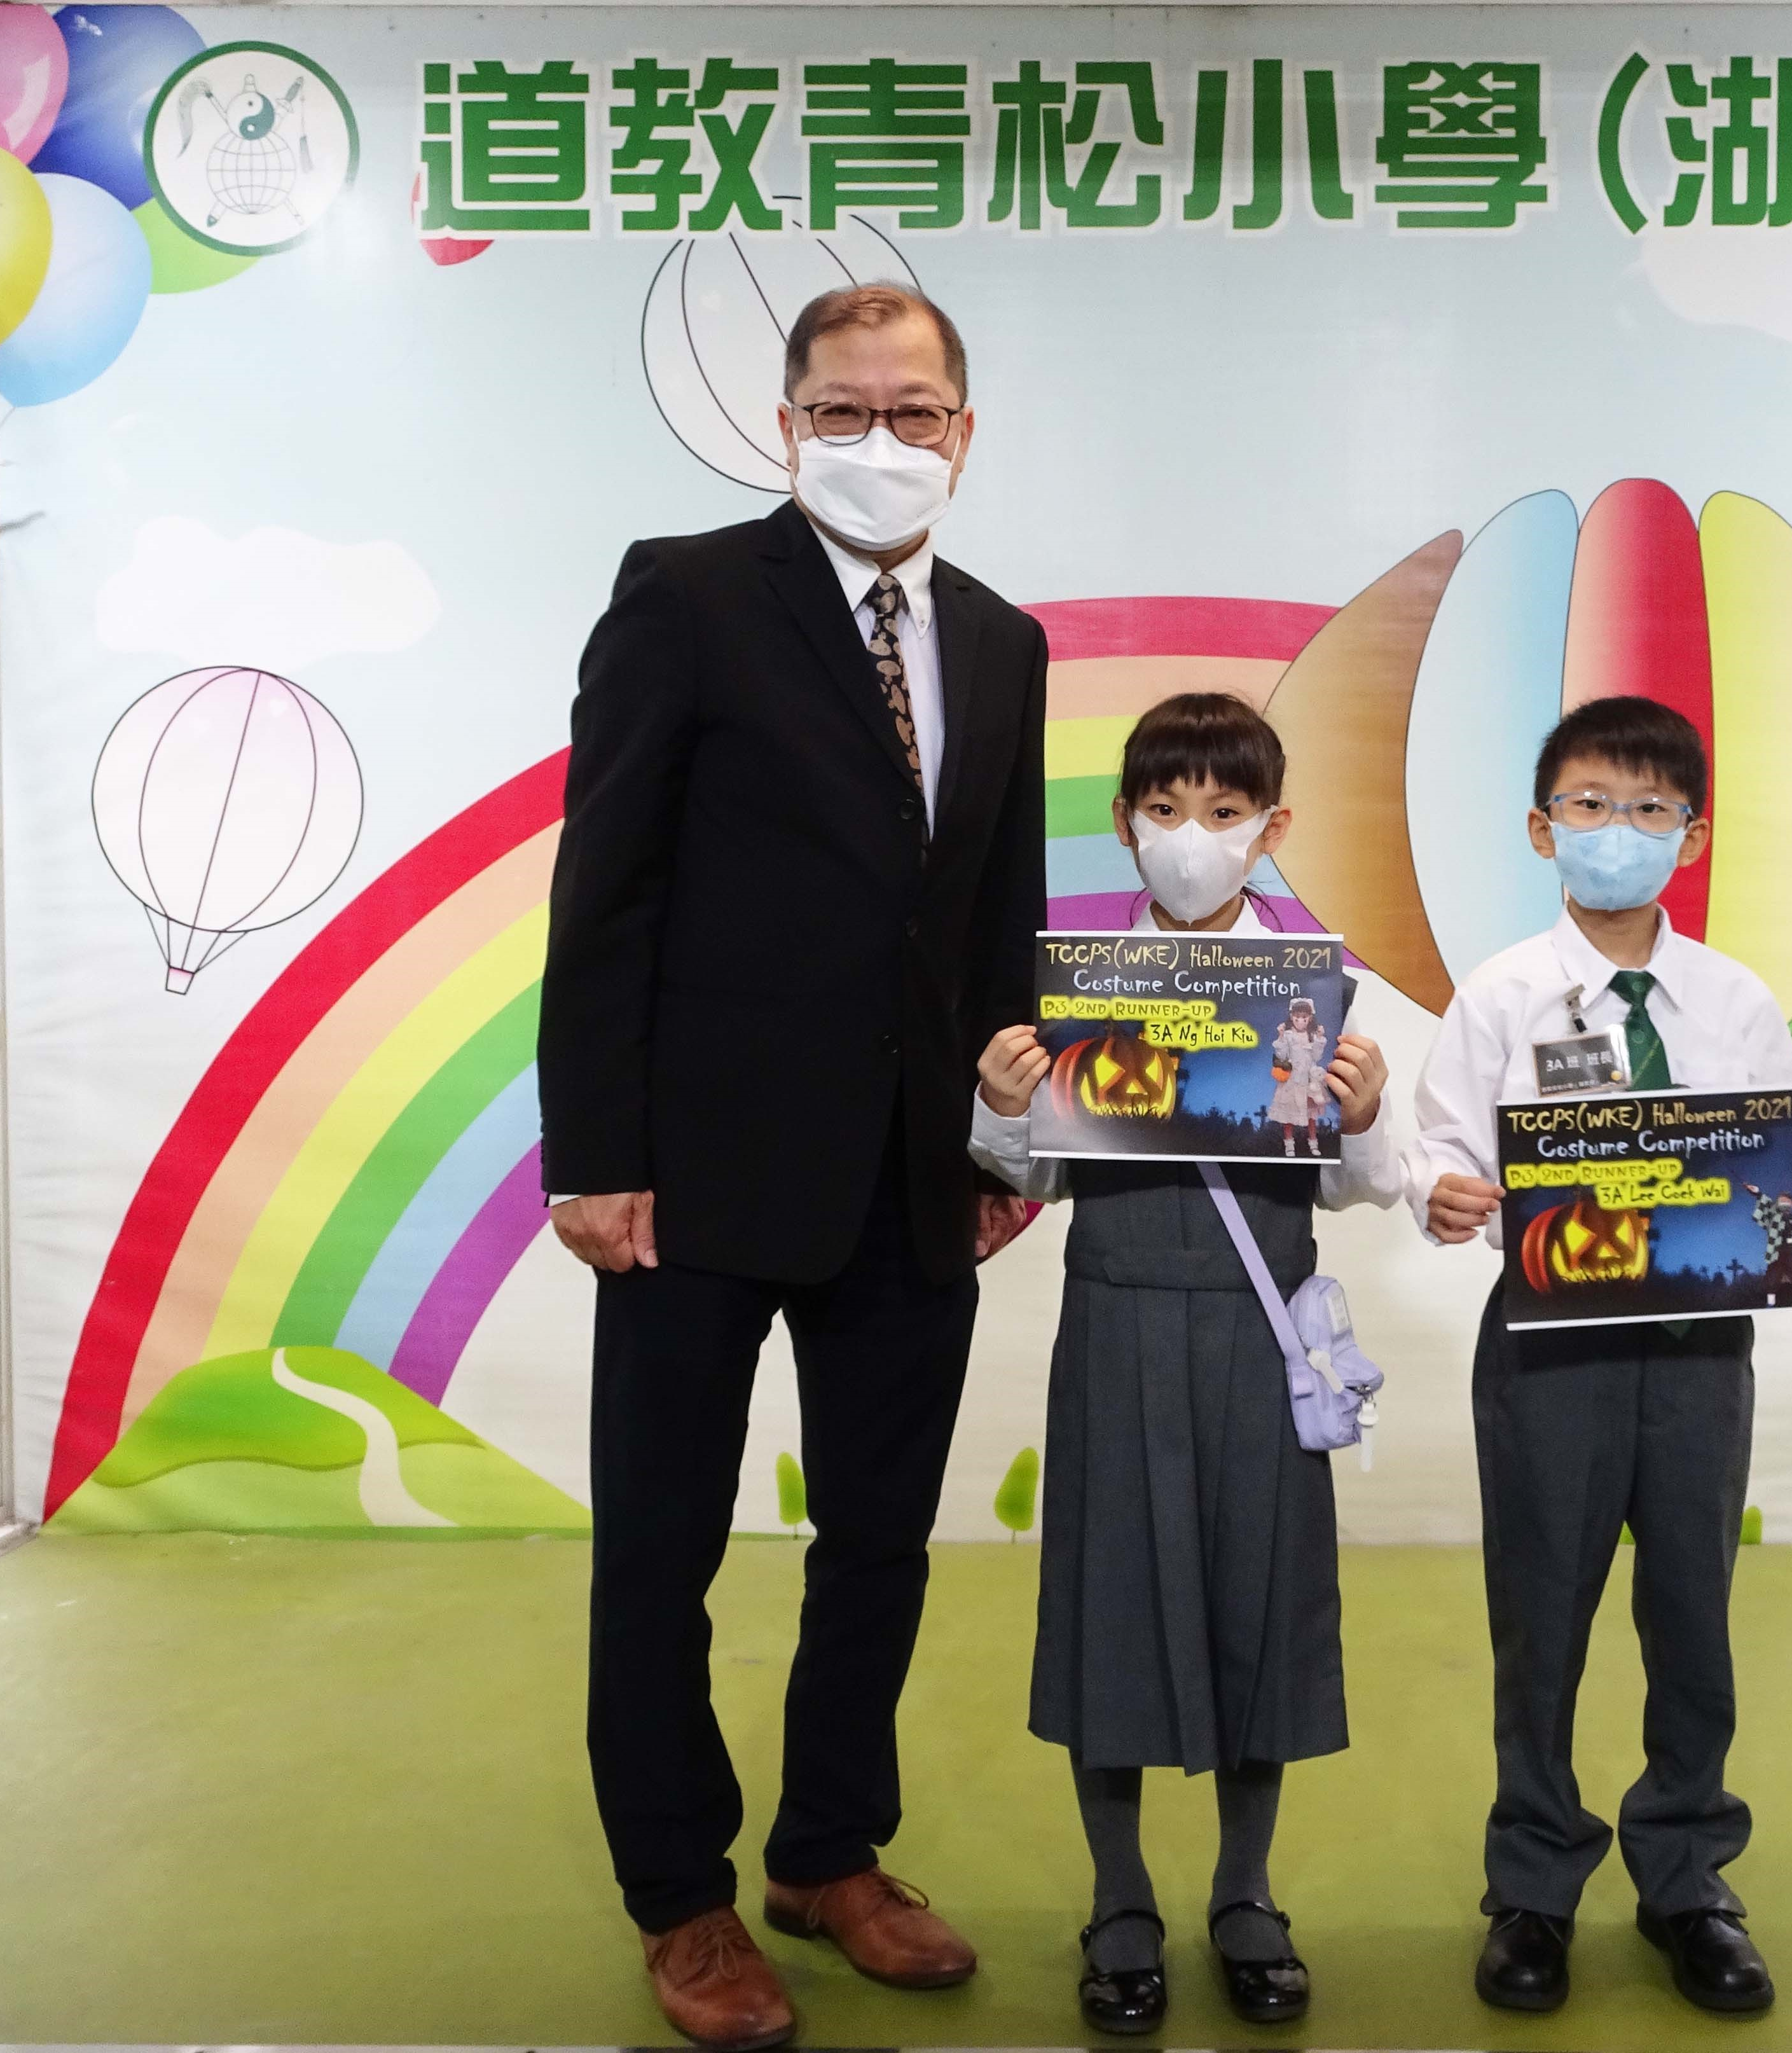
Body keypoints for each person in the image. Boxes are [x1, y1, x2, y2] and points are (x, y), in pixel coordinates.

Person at [537, 282, 1047, 2052]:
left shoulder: (1000, 640)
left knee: (879, 1542)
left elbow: (996, 913)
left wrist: (1005, 1141)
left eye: (913, 411)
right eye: (842, 410)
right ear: (785, 425)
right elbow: (605, 886)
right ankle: (678, 1893)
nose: (877, 440)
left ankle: (830, 1854)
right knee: (659, 1551)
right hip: (690, 1177)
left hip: (915, 1178)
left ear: (963, 433)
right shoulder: (684, 598)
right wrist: (595, 1155)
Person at [1408, 696, 1792, 2021]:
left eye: (1648, 809)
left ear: (1692, 834)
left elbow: (1772, 1161)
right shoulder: (1502, 993)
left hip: (1698, 1347)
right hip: (1548, 1342)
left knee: (1691, 1614)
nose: (1617, 829)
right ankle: (1532, 1888)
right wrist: (1440, 1191)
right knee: (1540, 1614)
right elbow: (1444, 1147)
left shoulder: (1734, 1000)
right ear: (1542, 827)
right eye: (1590, 805)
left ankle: (1687, 1879)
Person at [967, 693, 1401, 2037]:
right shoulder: (1078, 983)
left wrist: (1367, 1112)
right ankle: (1120, 1903)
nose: (1192, 835)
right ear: (1124, 822)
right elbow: (1035, 1174)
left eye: (1223, 811)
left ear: (1273, 826)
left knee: (1260, 1607)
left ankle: (1247, 1895)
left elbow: (1363, 1186)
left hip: (1260, 1333)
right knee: (1111, 1607)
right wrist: (997, 1102)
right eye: (1165, 809)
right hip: (1116, 1325)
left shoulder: (1316, 986)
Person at [1267, 995, 1330, 1156]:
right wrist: (1281, 1036)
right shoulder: (1288, 1035)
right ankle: (1289, 1145)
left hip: (1309, 1081)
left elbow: (1317, 1057)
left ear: (1310, 1018)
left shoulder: (1312, 1036)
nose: (1301, 1021)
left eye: (1304, 1018)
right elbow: (1282, 1055)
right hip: (1292, 1081)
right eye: (1297, 1017)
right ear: (1291, 1017)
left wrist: (1320, 1038)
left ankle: (1313, 1143)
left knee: (1311, 1115)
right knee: (1289, 1115)